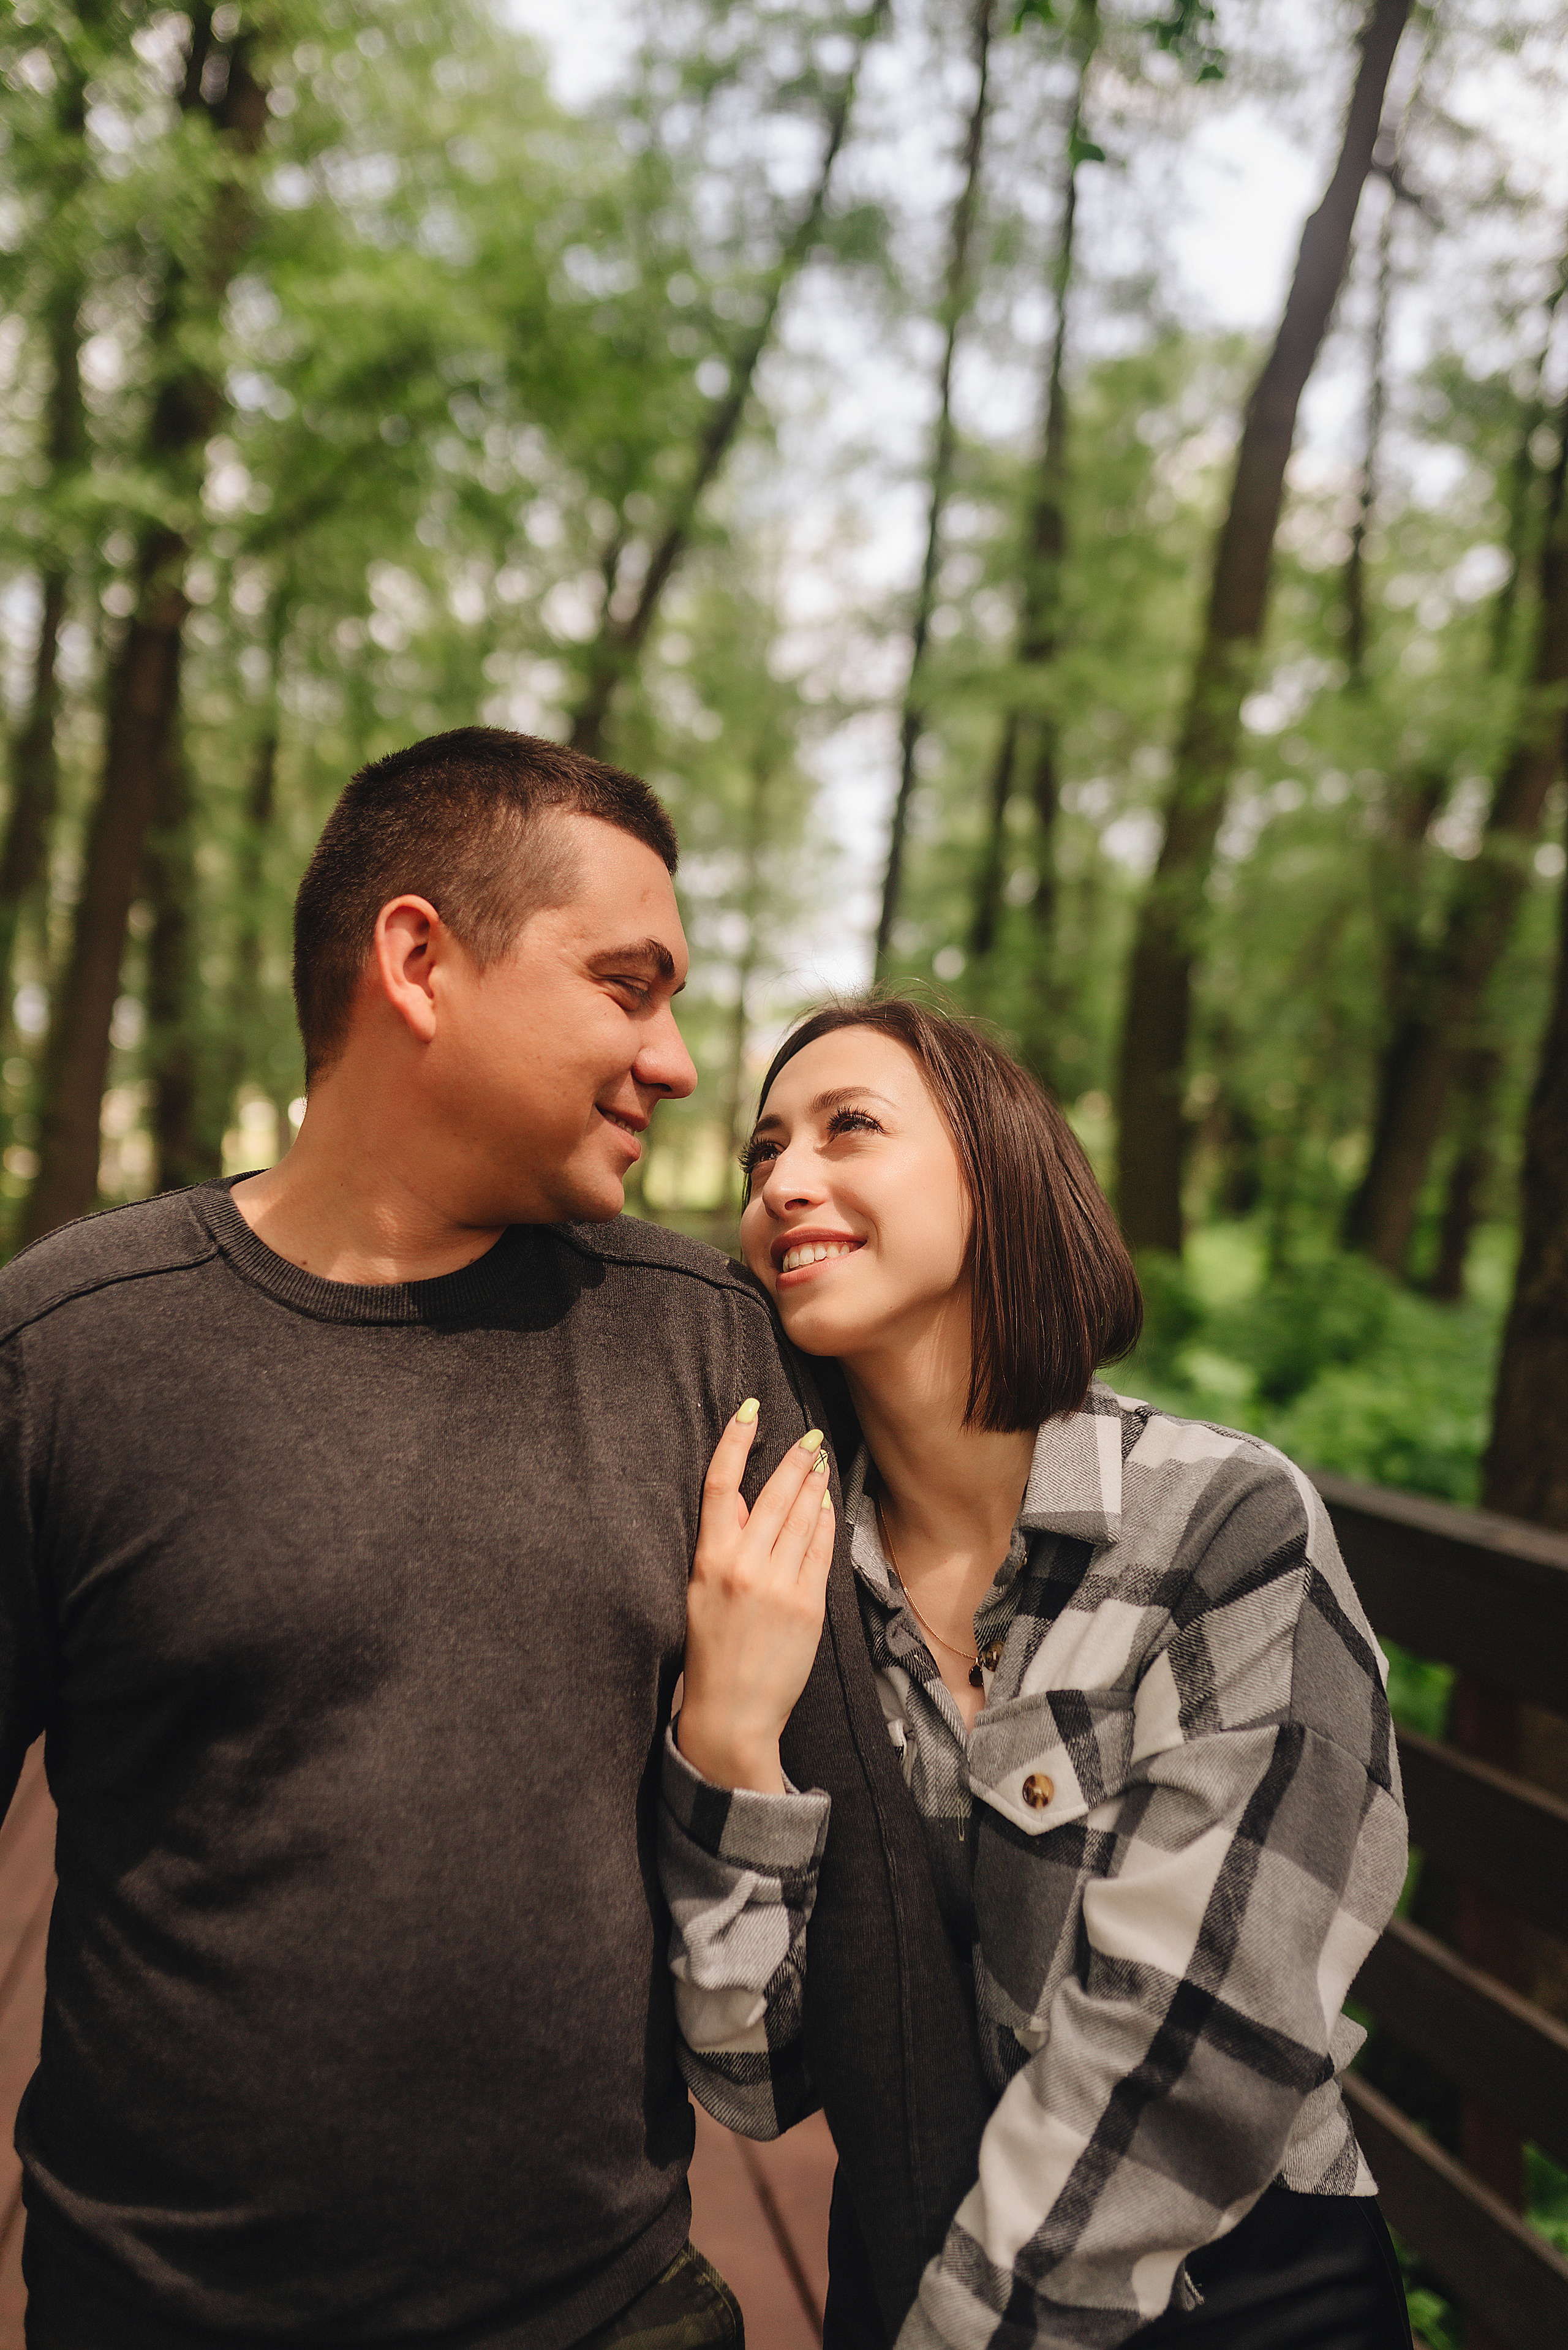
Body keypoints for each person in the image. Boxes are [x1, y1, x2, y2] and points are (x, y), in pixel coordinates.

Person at [0, 726, 874, 2350]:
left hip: (602, 2307)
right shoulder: (69, 1350)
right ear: (418, 959)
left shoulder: (703, 1348)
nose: (679, 1059)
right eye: (629, 984)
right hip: (158, 2313)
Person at [661, 996, 1412, 2350]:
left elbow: (1198, 2056)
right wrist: (727, 1737)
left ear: (993, 1175)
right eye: (759, 1154)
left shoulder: (1218, 1524)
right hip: (907, 2257)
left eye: (849, 1127)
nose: (781, 1180)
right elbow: (758, 2074)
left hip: (1229, 2288)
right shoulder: (794, 1572)